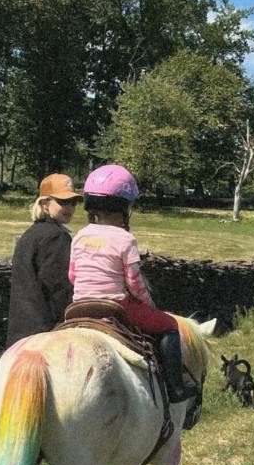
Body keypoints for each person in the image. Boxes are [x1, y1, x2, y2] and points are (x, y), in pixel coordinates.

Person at [69, 164, 198, 404]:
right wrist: (148, 304)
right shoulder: (126, 239)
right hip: (116, 306)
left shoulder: (80, 235)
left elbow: (72, 276)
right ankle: (175, 388)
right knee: (169, 325)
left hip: (79, 305)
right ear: (124, 207)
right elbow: (134, 282)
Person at [6, 172, 82, 465]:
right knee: (66, 425)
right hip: (49, 339)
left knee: (24, 429)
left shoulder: (27, 237)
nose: (68, 207)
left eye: (72, 202)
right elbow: (59, 292)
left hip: (19, 341)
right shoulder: (56, 238)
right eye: (62, 201)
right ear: (44, 203)